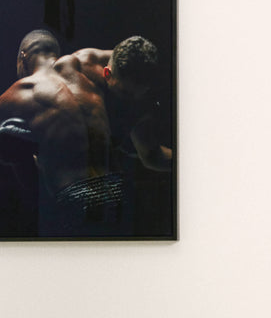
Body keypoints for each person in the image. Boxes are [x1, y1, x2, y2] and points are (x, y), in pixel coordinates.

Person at [0, 29, 171, 236]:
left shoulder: (22, 91)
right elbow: (152, 157)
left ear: (22, 57)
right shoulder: (88, 66)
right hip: (121, 193)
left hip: (75, 200)